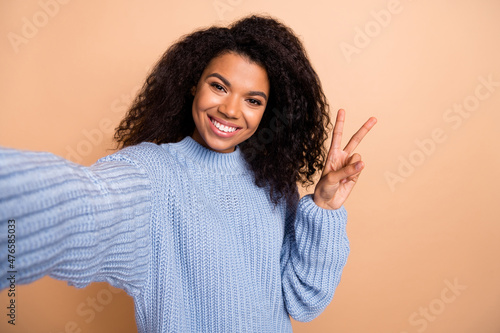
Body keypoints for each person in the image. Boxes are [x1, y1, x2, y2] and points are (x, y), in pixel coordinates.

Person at [0, 14, 376, 332]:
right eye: (219, 86)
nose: (230, 109)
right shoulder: (152, 174)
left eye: (253, 100)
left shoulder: (273, 182)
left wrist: (324, 207)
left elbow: (304, 302)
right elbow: (83, 204)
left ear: (267, 112)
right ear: (193, 84)